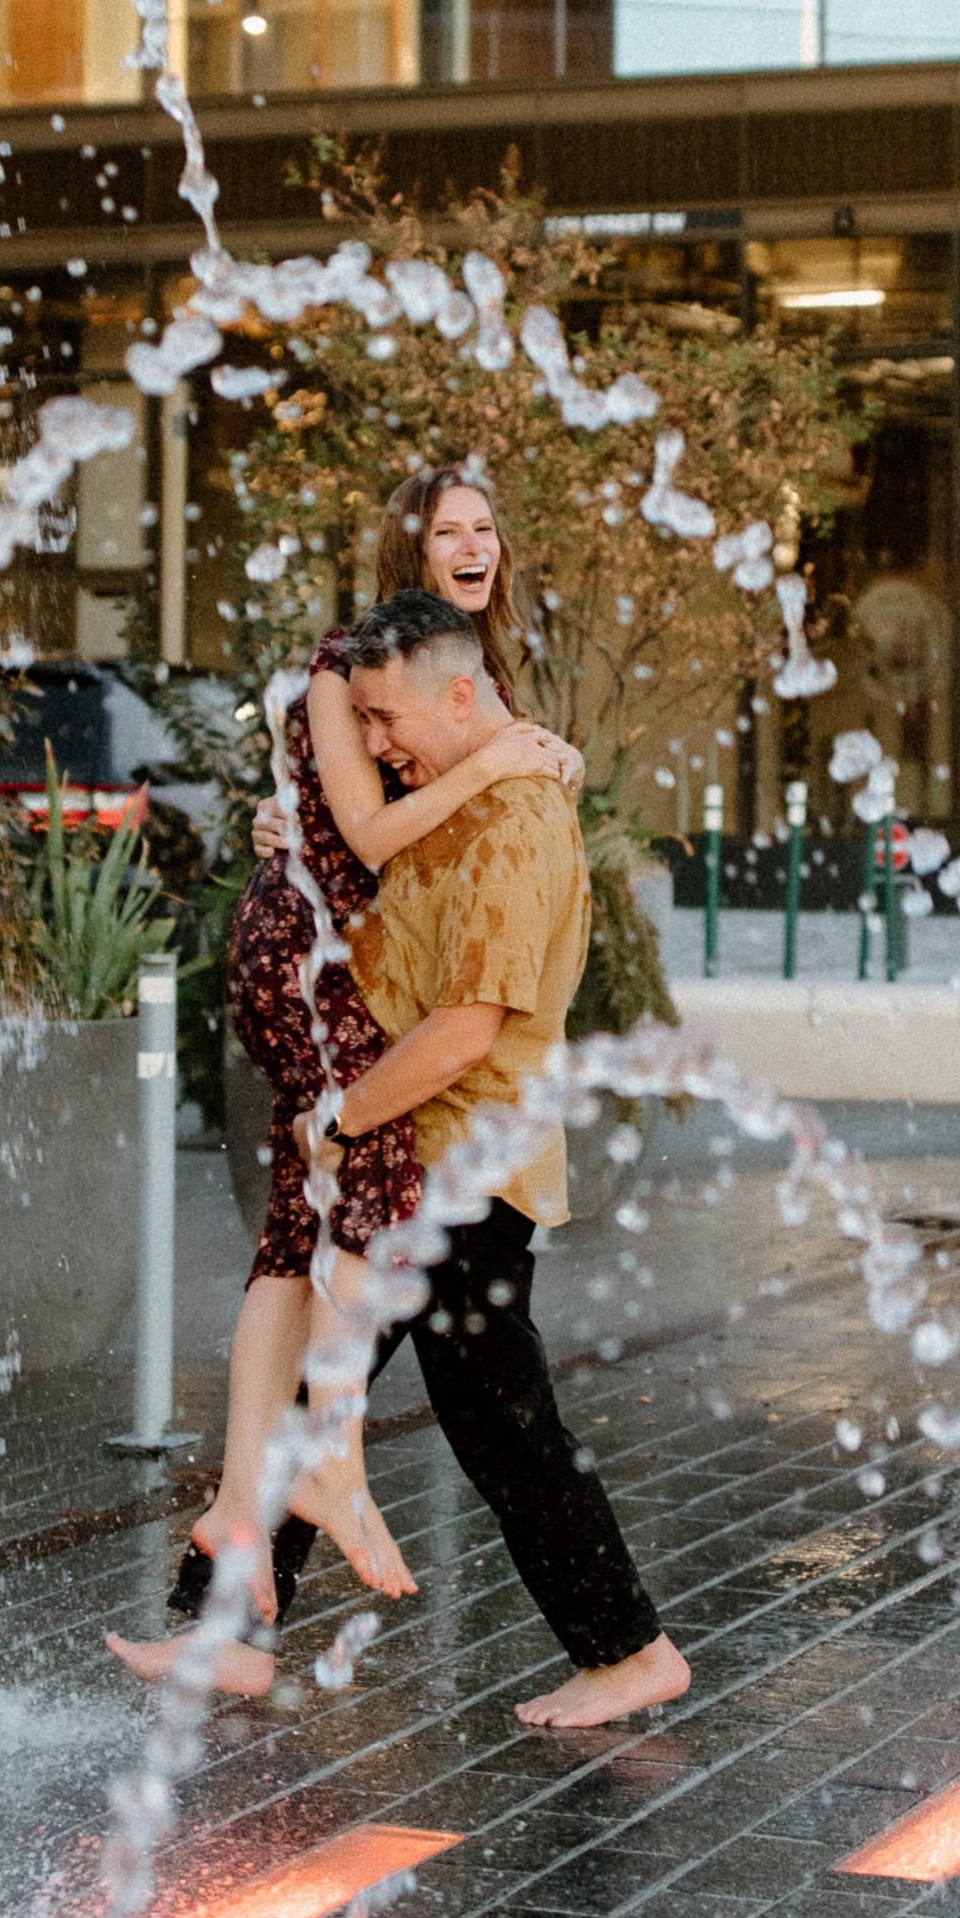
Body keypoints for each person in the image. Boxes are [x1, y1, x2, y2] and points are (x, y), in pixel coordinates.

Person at [113, 590, 690, 1730]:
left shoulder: (517, 823)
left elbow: (467, 1028)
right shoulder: (444, 798)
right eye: (361, 719)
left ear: (462, 697)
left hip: (460, 1158)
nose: (376, 745)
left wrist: (339, 1116)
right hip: (412, 1149)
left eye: (389, 720)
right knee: (323, 1379)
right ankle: (226, 1625)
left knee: (496, 1417)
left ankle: (631, 1649)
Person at [107, 469, 577, 1662]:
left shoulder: (473, 679)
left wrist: (539, 759)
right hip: (318, 968)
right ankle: (322, 1490)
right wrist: (498, 764)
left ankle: (231, 1580)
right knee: (341, 1236)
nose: (473, 544)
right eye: (446, 530)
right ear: (405, 551)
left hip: (354, 972)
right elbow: (367, 834)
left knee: (302, 1250)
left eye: (485, 526)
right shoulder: (351, 669)